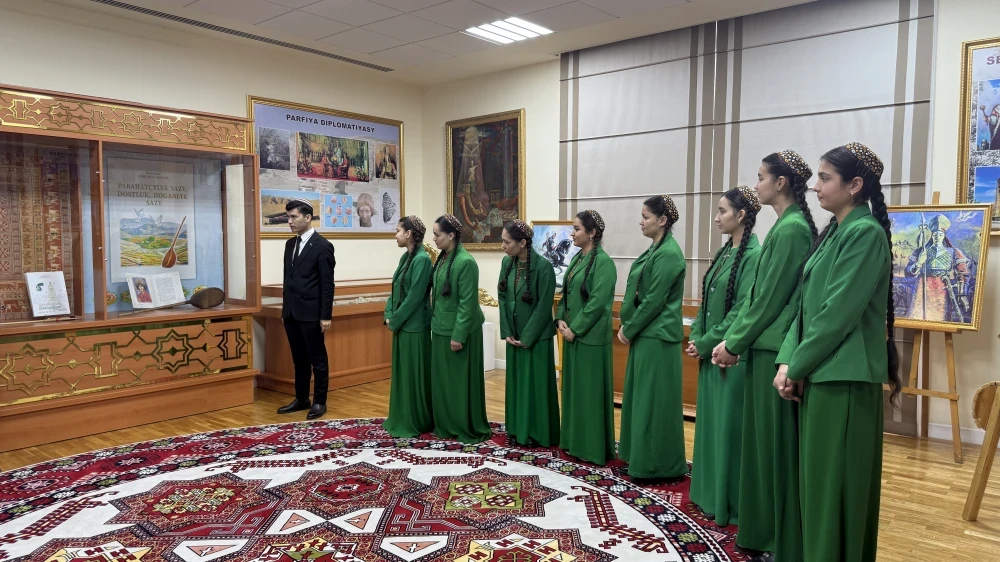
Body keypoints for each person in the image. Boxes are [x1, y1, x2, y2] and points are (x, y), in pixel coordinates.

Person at [774, 143, 901, 562]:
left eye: (826, 177)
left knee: (835, 489)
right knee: (819, 489)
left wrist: (798, 365)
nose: (815, 185)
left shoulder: (865, 234)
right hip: (821, 374)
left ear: (855, 185)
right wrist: (788, 360)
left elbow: (836, 315)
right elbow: (805, 306)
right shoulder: (835, 232)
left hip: (844, 379)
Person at [712, 150, 817, 562]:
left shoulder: (791, 230)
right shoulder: (787, 226)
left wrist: (733, 342)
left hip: (773, 348)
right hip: (763, 344)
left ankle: (777, 538)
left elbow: (768, 299)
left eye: (761, 177)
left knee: (772, 449)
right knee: (759, 447)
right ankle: (762, 533)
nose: (755, 185)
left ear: (781, 183)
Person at [687, 186, 762, 526]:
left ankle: (727, 503)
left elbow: (744, 311)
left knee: (728, 432)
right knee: (710, 430)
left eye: (722, 211)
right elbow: (706, 305)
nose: (716, 218)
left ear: (741, 215)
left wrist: (712, 343)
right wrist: (697, 338)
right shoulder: (723, 254)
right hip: (711, 353)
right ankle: (705, 494)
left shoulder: (753, 256)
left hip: (731, 356)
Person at [617, 195, 688, 481]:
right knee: (641, 400)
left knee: (654, 403)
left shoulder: (669, 253)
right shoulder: (655, 249)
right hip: (647, 336)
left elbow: (653, 301)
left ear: (662, 220)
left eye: (646, 216)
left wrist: (628, 328)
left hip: (657, 337)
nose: (641, 221)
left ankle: (657, 465)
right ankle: (640, 457)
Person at [555, 210, 617, 465]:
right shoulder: (577, 260)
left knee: (589, 395)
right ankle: (574, 441)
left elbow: (597, 303)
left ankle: (591, 448)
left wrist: (575, 329)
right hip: (572, 337)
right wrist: (560, 317)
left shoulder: (604, 263)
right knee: (573, 393)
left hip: (589, 339)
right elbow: (566, 292)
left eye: (577, 229)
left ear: (592, 233)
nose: (572, 233)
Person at [429, 214, 491, 444]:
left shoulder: (466, 262)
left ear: (452, 235)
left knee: (459, 384)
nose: (434, 239)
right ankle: (446, 425)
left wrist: (458, 335)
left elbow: (467, 303)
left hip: (459, 332)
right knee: (443, 382)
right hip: (441, 329)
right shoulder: (443, 258)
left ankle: (463, 425)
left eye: (437, 235)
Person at [498, 219, 560, 447]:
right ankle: (516, 429)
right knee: (517, 385)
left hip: (536, 339)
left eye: (507, 242)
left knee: (535, 386)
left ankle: (538, 432)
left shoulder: (543, 267)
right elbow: (503, 297)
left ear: (522, 243)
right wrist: (507, 331)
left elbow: (544, 306)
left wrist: (528, 337)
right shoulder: (507, 264)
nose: (502, 246)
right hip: (513, 336)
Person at [278, 198, 336, 420]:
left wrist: (325, 315)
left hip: (312, 313)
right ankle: (302, 398)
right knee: (299, 359)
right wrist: (286, 309)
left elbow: (327, 284)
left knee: (317, 359)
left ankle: (320, 401)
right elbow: (287, 279)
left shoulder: (323, 246)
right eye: (288, 217)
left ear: (308, 218)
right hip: (292, 312)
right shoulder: (290, 244)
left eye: (294, 217)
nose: (290, 221)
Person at [382, 216, 433, 438]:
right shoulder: (406, 258)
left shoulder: (422, 260)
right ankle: (401, 416)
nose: (395, 235)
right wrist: (388, 313)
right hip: (402, 325)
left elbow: (414, 297)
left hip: (414, 327)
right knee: (402, 374)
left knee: (413, 375)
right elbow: (395, 290)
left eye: (398, 231)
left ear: (409, 234)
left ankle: (414, 419)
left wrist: (395, 320)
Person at [903, 214, 971, 323]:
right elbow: (908, 272)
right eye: (935, 234)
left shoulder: (953, 252)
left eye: (940, 234)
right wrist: (919, 263)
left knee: (940, 318)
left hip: (942, 288)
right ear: (931, 235)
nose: (937, 237)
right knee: (918, 316)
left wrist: (962, 294)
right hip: (922, 287)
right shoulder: (921, 251)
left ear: (944, 235)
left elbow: (962, 272)